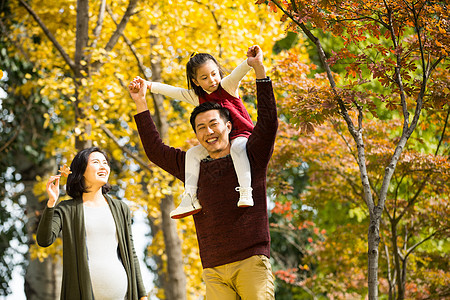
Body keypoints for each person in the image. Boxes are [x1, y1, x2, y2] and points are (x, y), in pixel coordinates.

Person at [129, 45, 277, 299]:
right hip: (213, 269)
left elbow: (269, 121)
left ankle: (246, 192)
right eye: (201, 127)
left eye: (213, 125)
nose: (208, 131)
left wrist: (259, 69)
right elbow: (155, 151)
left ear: (228, 125)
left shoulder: (253, 154)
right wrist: (142, 101)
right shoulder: (193, 164)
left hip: (251, 262)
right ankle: (189, 197)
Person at [130, 48, 256, 219]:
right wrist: (149, 85)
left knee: (237, 149)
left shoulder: (227, 86)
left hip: (240, 135)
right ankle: (190, 197)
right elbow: (173, 91)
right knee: (192, 153)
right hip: (217, 141)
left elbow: (237, 73)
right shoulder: (197, 97)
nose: (212, 80)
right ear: (196, 82)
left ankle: (246, 191)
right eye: (204, 78)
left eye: (214, 74)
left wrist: (250, 61)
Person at [36, 147, 148, 300]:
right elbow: (44, 240)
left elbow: (131, 252)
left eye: (105, 163)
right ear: (81, 170)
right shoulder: (67, 209)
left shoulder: (121, 208)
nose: (103, 166)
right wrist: (51, 203)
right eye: (96, 162)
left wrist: (142, 294)